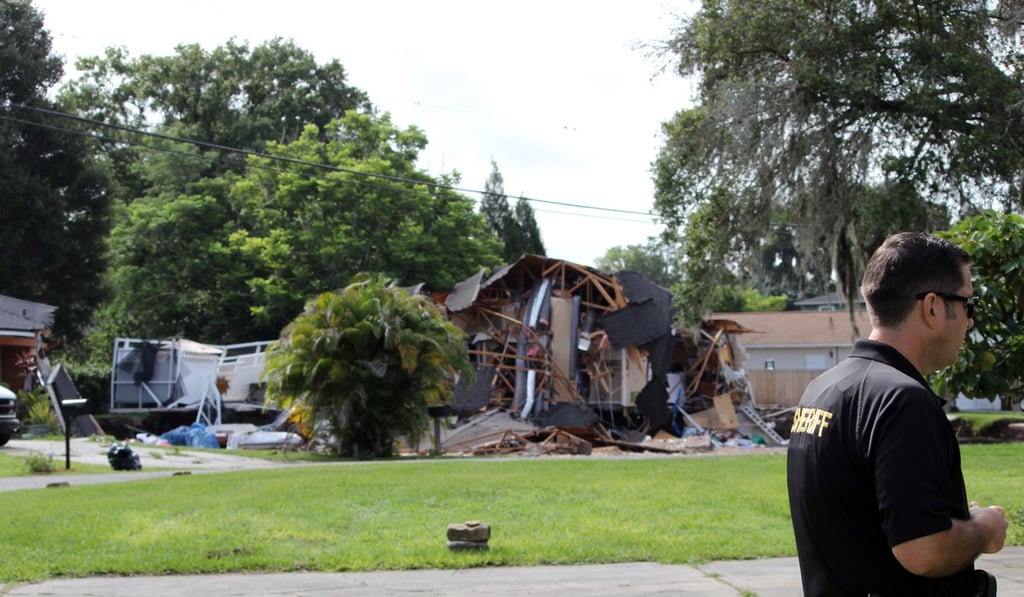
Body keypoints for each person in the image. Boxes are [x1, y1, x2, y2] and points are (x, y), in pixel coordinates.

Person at [787, 232, 1008, 596]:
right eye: (969, 305)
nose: (970, 322)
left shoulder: (822, 390)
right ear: (933, 307)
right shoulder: (903, 400)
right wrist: (983, 529)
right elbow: (922, 551)